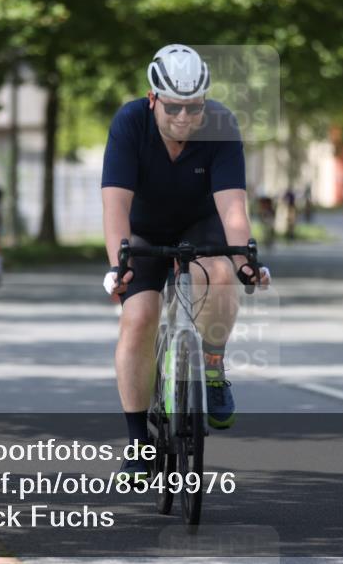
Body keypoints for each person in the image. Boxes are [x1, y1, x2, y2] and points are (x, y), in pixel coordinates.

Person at [100, 44, 270, 479]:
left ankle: (212, 367)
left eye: (194, 107)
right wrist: (120, 267)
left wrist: (246, 259)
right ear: (153, 98)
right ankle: (139, 441)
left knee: (222, 272)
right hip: (144, 229)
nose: (184, 118)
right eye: (173, 106)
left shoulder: (221, 124)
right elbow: (115, 205)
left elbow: (233, 209)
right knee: (138, 316)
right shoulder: (129, 122)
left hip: (200, 224)